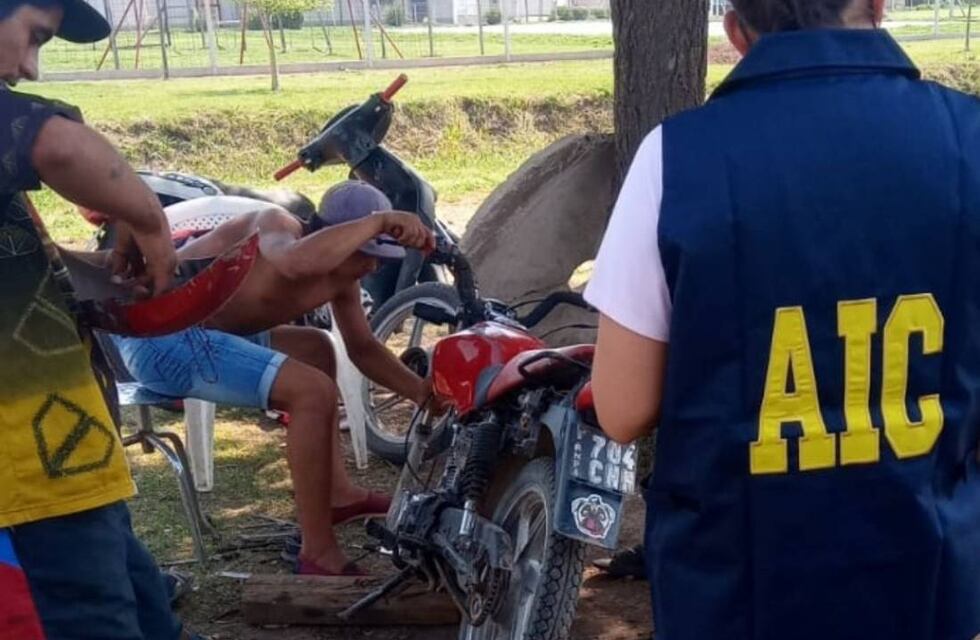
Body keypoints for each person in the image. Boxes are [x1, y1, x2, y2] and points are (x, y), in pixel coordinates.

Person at [586, 1, 980, 639]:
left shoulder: (675, 158)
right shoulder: (970, 139)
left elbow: (623, 407)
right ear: (877, 6)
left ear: (736, 32)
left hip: (738, 589)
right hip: (922, 581)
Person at [111, 181, 441, 576]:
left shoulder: (343, 279)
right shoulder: (276, 224)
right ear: (332, 235)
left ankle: (337, 495)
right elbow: (293, 262)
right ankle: (317, 553)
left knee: (317, 348)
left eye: (381, 259)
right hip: (160, 337)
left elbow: (363, 348)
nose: (372, 267)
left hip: (211, 335)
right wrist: (380, 221)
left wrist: (422, 393)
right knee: (311, 391)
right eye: (367, 253)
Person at [0, 2, 196, 639]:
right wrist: (149, 218)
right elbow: (59, 145)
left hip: (67, 461)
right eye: (31, 38)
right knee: (90, 621)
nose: (29, 67)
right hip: (23, 474)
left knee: (141, 608)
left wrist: (118, 274)